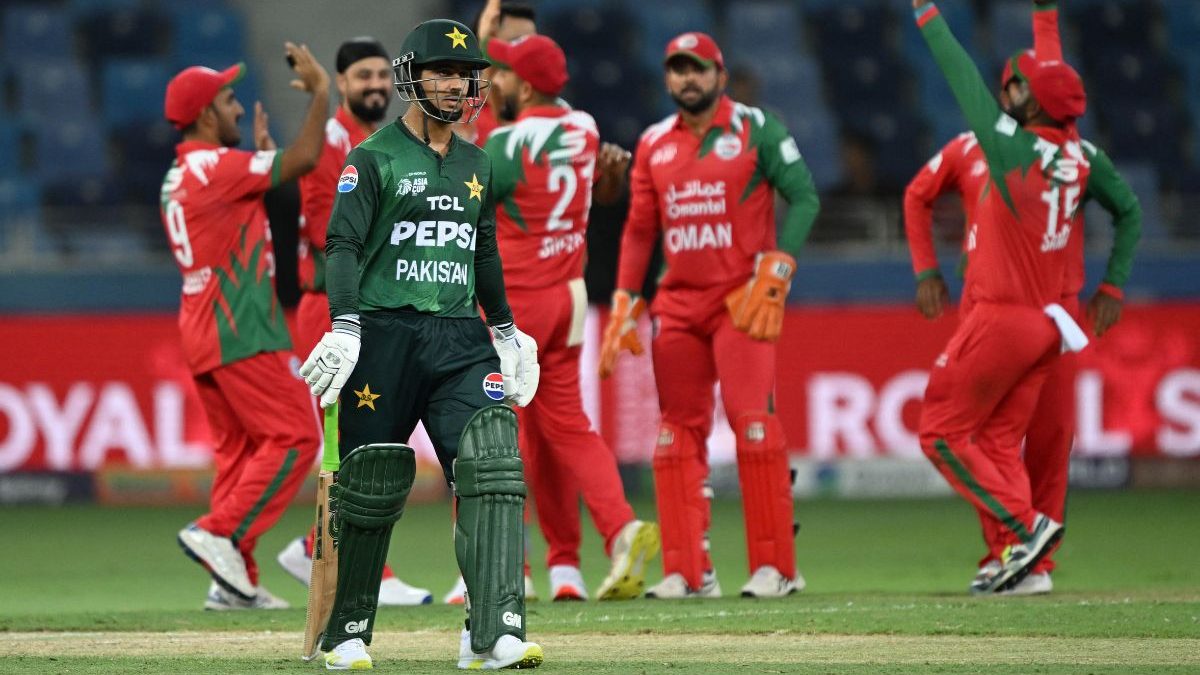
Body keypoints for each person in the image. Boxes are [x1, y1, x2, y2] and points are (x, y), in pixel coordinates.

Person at [298, 19, 542, 670]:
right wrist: (346, 324)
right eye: (444, 71)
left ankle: (493, 631)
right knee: (372, 481)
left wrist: (508, 329)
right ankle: (348, 631)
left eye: (466, 73)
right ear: (412, 77)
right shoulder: (372, 157)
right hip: (383, 332)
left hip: (461, 334)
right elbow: (341, 245)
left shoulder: (476, 161)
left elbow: (483, 250)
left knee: (492, 467)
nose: (460, 83)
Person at [904, 1, 1140, 597]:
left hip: (1004, 316)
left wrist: (928, 14)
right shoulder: (1081, 158)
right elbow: (1054, 82)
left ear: (1033, 103)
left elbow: (959, 72)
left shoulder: (1010, 149)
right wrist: (1044, 16)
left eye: (1019, 87)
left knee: (940, 433)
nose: (1007, 91)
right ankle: (1023, 563)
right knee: (1002, 440)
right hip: (1048, 320)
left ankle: (1025, 527)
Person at [599, 32, 820, 599]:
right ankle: (688, 571)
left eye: (696, 69)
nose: (686, 79)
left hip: (742, 302)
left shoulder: (756, 128)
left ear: (720, 75)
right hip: (678, 306)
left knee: (753, 426)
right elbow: (641, 229)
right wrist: (626, 299)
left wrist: (778, 269)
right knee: (674, 437)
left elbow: (805, 196)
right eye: (677, 69)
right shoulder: (653, 143)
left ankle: (779, 568)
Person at [483, 33, 660, 602]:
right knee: (562, 427)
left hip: (515, 304)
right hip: (571, 297)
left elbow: (464, 202)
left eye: (502, 75)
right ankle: (608, 535)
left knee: (480, 431)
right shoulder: (584, 128)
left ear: (525, 84)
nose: (493, 84)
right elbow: (599, 184)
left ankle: (504, 569)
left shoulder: (507, 146)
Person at [162, 44, 328, 610]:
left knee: (238, 450)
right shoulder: (218, 167)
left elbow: (232, 211)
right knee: (296, 438)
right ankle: (219, 531)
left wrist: (256, 166)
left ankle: (234, 583)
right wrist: (321, 92)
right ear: (207, 114)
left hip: (202, 327)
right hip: (242, 328)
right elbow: (305, 158)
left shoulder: (179, 176)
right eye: (229, 100)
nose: (238, 108)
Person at [274, 36, 433, 608]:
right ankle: (371, 572)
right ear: (341, 83)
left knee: (371, 439)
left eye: (382, 77)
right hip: (335, 306)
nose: (375, 86)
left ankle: (318, 546)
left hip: (365, 305)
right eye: (362, 76)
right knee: (360, 441)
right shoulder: (335, 142)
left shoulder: (377, 142)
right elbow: (331, 235)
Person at [458, 0, 538, 146]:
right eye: (517, 42)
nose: (528, 52)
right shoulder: (459, 117)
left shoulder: (551, 113)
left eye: (533, 43)